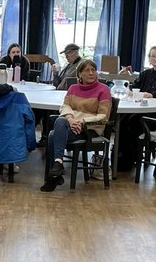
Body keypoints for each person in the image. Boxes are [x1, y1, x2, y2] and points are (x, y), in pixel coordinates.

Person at [41, 59, 111, 192]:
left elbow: (103, 116)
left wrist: (82, 122)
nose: (91, 73)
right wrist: (71, 120)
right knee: (59, 123)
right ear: (79, 74)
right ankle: (58, 165)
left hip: (90, 129)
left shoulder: (104, 89)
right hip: (72, 125)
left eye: (93, 70)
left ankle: (54, 175)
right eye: (87, 70)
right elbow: (65, 106)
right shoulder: (73, 88)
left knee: (52, 135)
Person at [116, 45, 156, 173]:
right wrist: (130, 91)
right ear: (149, 58)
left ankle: (133, 156)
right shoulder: (145, 73)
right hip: (141, 108)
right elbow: (134, 87)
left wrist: (152, 94)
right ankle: (124, 159)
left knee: (132, 121)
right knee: (122, 120)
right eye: (153, 56)